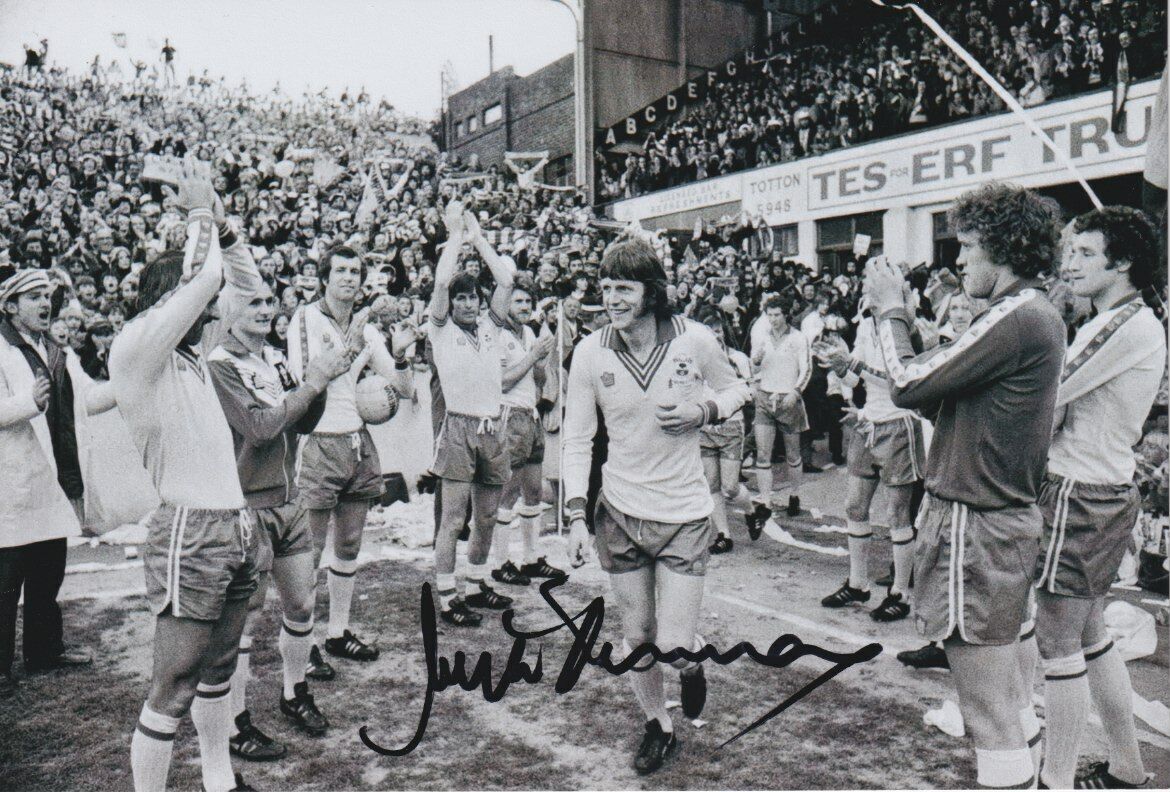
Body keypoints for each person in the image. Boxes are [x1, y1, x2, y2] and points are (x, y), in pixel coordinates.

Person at [866, 183, 1065, 790]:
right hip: (995, 522)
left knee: (989, 714)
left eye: (969, 246)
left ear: (1004, 248)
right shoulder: (1033, 315)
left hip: (973, 526)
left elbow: (906, 382)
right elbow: (959, 414)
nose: (958, 260)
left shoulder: (1019, 314)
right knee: (1008, 703)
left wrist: (889, 308)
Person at [563, 238, 749, 775]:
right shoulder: (590, 352)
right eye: (606, 289)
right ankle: (657, 726)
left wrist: (704, 410)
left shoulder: (694, 338)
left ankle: (691, 659)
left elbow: (739, 388)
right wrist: (576, 515)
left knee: (671, 643)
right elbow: (577, 438)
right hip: (620, 510)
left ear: (652, 292)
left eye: (625, 288)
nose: (613, 300)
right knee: (637, 635)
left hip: (686, 512)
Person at [111, 157, 260, 792]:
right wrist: (197, 209)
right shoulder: (137, 348)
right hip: (189, 531)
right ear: (168, 299)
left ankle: (220, 781)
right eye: (196, 298)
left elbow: (246, 290)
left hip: (232, 524)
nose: (210, 307)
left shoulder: (196, 355)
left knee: (220, 667)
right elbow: (205, 282)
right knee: (173, 683)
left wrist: (225, 230)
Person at [1033, 207, 1164, 790]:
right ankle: (1128, 766)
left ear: (1125, 262)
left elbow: (1046, 394)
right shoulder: (1125, 319)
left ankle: (1054, 782)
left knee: (1057, 642)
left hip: (1078, 493)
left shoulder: (1118, 323)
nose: (1070, 263)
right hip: (1101, 488)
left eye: (1086, 253)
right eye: (1071, 251)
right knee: (1090, 635)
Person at [209, 259, 351, 758]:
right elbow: (262, 428)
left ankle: (295, 693)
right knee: (243, 619)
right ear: (226, 312)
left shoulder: (273, 358)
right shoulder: (219, 367)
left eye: (270, 301)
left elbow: (303, 423)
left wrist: (322, 380)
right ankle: (235, 721)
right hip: (247, 509)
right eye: (254, 302)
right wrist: (310, 384)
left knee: (302, 604)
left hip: (289, 502)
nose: (266, 310)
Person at [286, 246, 412, 665]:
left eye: (355, 271)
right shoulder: (306, 319)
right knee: (309, 550)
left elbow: (404, 386)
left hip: (357, 443)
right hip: (319, 441)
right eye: (339, 270)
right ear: (324, 277)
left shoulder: (367, 328)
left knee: (351, 543)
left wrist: (404, 352)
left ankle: (337, 632)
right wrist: (353, 339)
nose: (348, 278)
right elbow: (311, 378)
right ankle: (303, 645)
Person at [0, 270, 102, 698]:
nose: (45, 303)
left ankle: (45, 652)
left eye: (47, 296)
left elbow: (89, 397)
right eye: (33, 297)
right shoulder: (1, 350)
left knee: (48, 575)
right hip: (13, 484)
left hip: (51, 481)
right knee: (6, 583)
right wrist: (27, 403)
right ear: (9, 306)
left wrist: (131, 389)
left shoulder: (54, 350)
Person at [426, 201, 517, 627]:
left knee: (486, 515)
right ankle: (447, 597)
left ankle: (478, 584)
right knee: (454, 518)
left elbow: (506, 278)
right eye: (460, 298)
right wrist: (454, 236)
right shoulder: (440, 329)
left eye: (471, 298)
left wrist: (478, 237)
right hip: (459, 426)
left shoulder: (490, 326)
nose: (466, 304)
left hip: (492, 425)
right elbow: (442, 281)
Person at [813, 305, 925, 623]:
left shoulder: (904, 325)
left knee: (897, 514)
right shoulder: (864, 324)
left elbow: (899, 382)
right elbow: (854, 378)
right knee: (854, 506)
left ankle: (900, 594)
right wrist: (836, 365)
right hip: (869, 421)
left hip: (899, 423)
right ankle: (857, 584)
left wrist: (852, 363)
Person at [489, 272, 566, 587]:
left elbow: (536, 382)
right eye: (517, 300)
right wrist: (533, 357)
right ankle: (500, 562)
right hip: (509, 416)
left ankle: (531, 558)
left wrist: (540, 363)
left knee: (533, 490)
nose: (523, 306)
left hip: (530, 415)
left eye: (527, 301)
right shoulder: (497, 335)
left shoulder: (529, 335)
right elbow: (501, 381)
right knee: (507, 492)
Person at [746, 296, 810, 534]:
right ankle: (765, 501)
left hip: (787, 399)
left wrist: (796, 391)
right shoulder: (761, 335)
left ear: (785, 315)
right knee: (763, 454)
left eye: (776, 315)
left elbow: (806, 368)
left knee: (792, 454)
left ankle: (795, 494)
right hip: (765, 397)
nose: (772, 320)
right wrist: (756, 361)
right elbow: (754, 367)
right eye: (769, 315)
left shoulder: (798, 337)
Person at [697, 310, 751, 554]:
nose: (714, 336)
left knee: (730, 487)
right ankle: (723, 534)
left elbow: (745, 392)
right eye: (709, 331)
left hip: (730, 426)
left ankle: (752, 510)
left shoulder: (737, 358)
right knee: (712, 484)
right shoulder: (696, 359)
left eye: (718, 330)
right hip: (705, 428)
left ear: (724, 332)